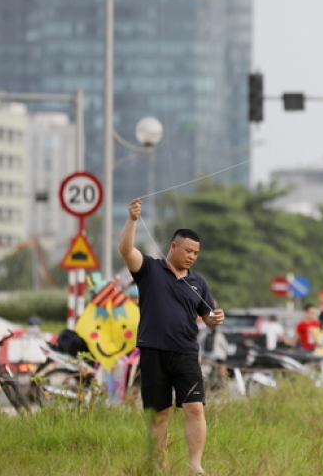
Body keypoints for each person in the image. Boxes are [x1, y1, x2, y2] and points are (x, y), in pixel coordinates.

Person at [121, 198, 224, 476]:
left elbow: (208, 318)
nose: (192, 256)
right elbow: (126, 249)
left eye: (196, 253)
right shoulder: (150, 270)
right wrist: (132, 220)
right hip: (153, 351)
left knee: (195, 408)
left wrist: (214, 319)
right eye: (188, 250)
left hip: (186, 353)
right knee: (159, 414)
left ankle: (195, 466)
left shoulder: (198, 283)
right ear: (174, 246)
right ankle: (158, 466)